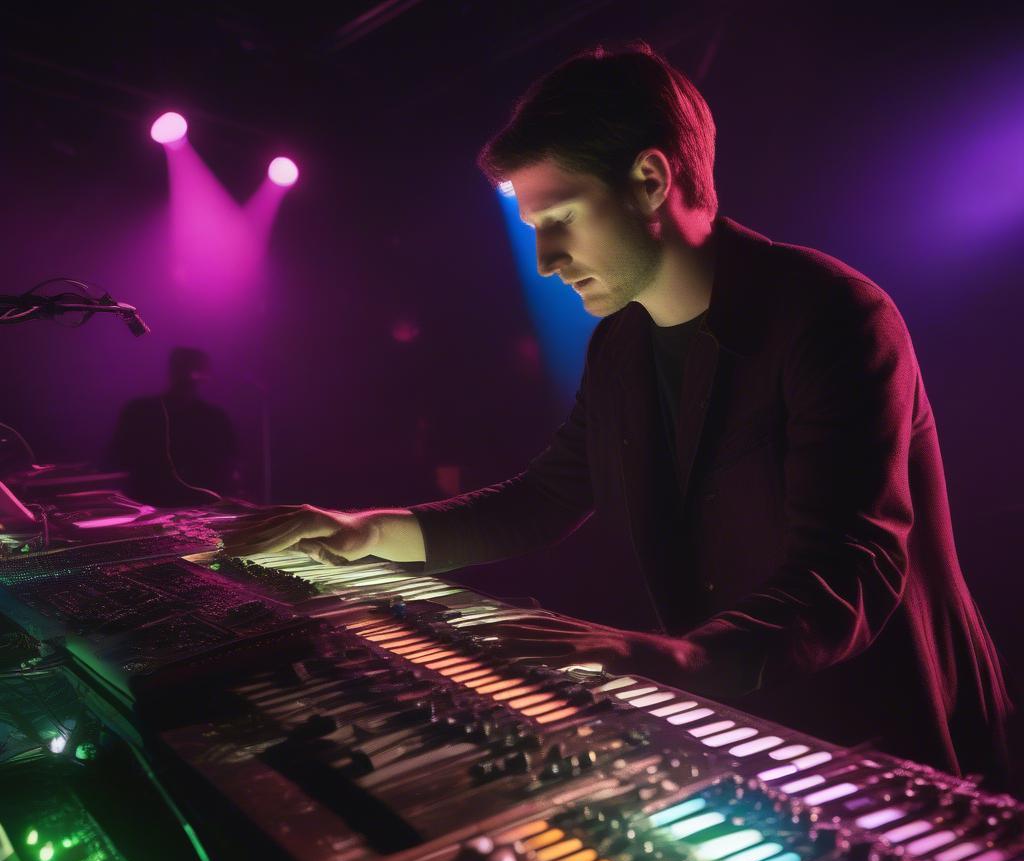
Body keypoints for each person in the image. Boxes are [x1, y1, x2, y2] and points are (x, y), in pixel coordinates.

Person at [222, 45, 1011, 784]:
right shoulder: (621, 345)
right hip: (743, 715)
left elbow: (852, 569)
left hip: (885, 731)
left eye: (559, 218)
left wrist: (677, 658)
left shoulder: (834, 315)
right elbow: (547, 498)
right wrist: (368, 531)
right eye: (532, 230)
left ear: (649, 178)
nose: (543, 261)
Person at [108, 346, 239, 507]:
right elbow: (119, 458)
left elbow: (228, 464)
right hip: (149, 504)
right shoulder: (141, 411)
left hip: (200, 507)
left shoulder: (215, 417)